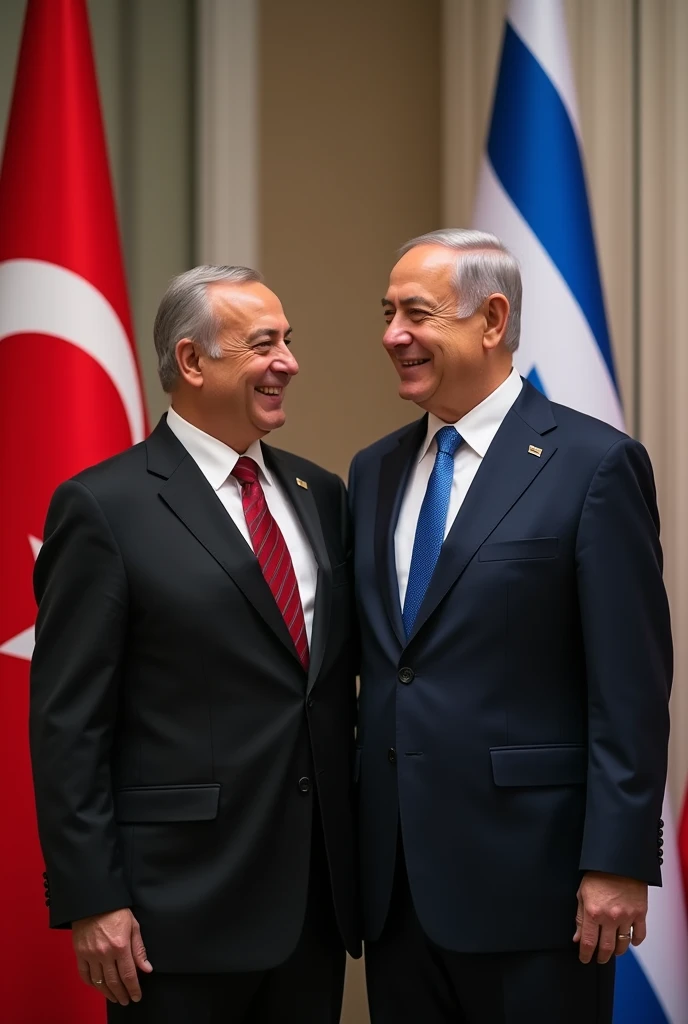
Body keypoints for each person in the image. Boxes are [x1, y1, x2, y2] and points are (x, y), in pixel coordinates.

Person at [348, 229, 671, 1024]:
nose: (393, 336)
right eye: (387, 313)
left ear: (492, 319)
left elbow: (630, 687)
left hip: (538, 887)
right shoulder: (373, 470)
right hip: (395, 891)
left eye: (416, 314)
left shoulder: (593, 465)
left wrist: (617, 862)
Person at [30, 265, 360, 1023]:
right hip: (171, 914)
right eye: (263, 344)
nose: (289, 362)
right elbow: (69, 725)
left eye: (289, 341)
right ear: (191, 362)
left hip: (312, 905)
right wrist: (93, 898)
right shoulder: (104, 507)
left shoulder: (322, 494)